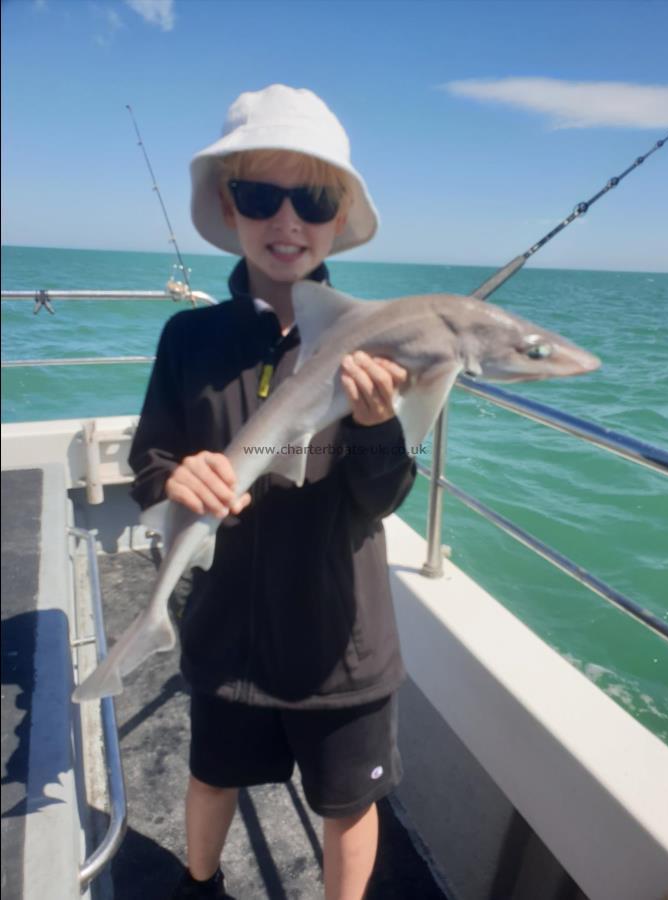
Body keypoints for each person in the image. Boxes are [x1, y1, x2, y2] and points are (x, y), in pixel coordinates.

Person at [128, 84, 415, 900]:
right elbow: (150, 457)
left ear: (336, 217)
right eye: (261, 196)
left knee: (347, 807)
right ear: (231, 204)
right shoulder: (190, 337)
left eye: (313, 198)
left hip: (339, 640)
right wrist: (172, 474)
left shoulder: (379, 337)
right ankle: (198, 884)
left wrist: (375, 423)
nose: (287, 221)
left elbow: (383, 497)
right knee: (211, 776)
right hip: (223, 626)